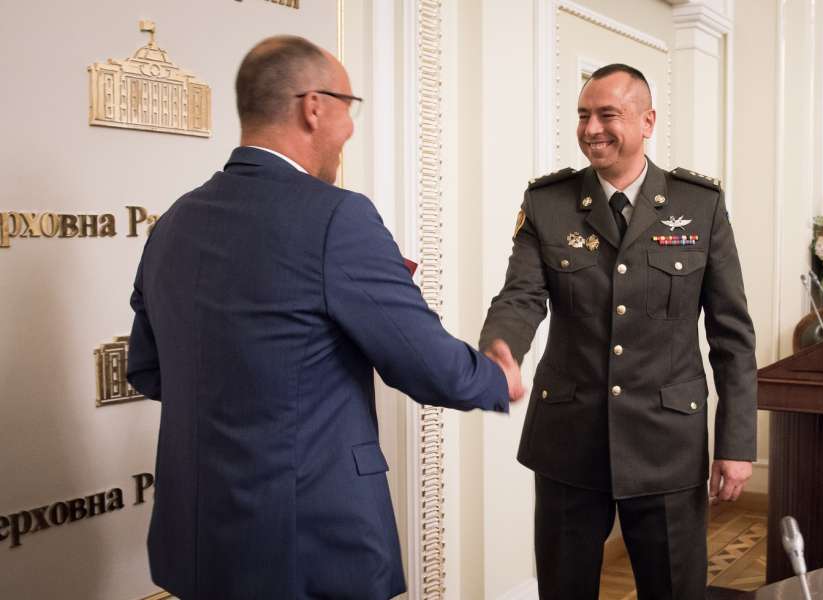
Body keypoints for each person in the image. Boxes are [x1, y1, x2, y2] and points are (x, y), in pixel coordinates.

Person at [126, 36, 523, 600]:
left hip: (200, 542)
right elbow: (426, 364)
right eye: (348, 106)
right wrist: (495, 378)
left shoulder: (173, 222)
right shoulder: (338, 218)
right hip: (308, 546)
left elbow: (147, 369)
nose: (351, 128)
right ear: (314, 107)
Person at [479, 63, 757, 599]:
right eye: (583, 115)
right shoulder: (548, 202)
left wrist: (736, 442)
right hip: (568, 440)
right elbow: (520, 296)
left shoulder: (698, 205)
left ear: (647, 121)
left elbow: (732, 334)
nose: (591, 129)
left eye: (607, 115)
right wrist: (500, 348)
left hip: (667, 441)